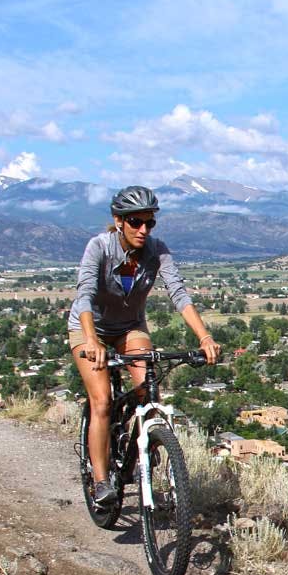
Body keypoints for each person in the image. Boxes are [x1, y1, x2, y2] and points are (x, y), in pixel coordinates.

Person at [68, 185, 221, 507]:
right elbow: (84, 294)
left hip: (130, 327)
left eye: (149, 223)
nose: (143, 229)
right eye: (136, 221)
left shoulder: (157, 250)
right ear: (118, 220)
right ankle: (99, 481)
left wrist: (204, 337)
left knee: (149, 396)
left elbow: (178, 293)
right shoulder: (100, 246)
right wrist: (92, 340)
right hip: (89, 328)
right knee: (102, 402)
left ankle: (142, 450)